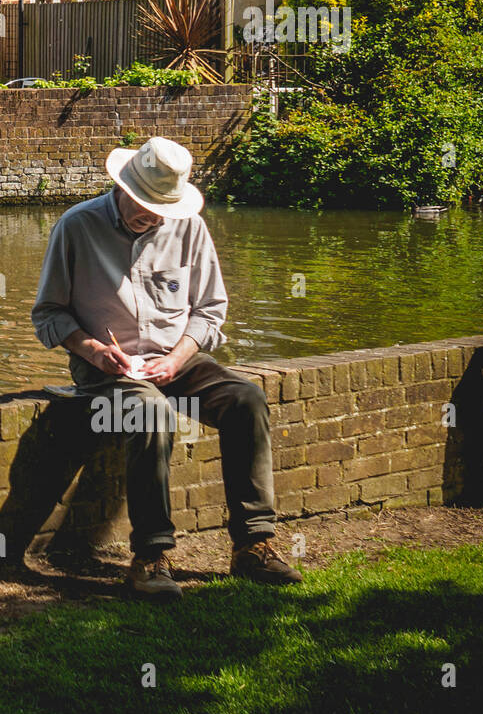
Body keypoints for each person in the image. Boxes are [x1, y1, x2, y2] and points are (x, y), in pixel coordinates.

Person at [31, 135, 302, 600]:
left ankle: (253, 543)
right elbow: (48, 314)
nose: (152, 216)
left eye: (162, 209)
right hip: (106, 368)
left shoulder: (190, 228)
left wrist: (177, 358)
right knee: (150, 412)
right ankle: (151, 557)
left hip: (178, 358)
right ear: (122, 185)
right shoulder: (76, 227)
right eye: (143, 203)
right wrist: (93, 349)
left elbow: (211, 311)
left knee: (247, 400)